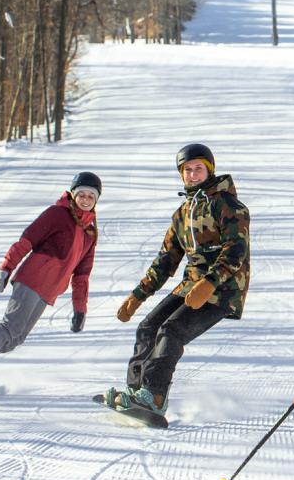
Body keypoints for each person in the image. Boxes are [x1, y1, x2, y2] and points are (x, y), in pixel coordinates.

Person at [107, 143, 250, 422]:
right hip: (190, 285)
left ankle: (155, 397)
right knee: (148, 327)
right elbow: (166, 260)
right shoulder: (182, 213)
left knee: (171, 331)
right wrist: (138, 295)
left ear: (209, 170)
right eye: (187, 170)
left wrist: (210, 283)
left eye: (199, 169)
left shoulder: (229, 206)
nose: (193, 175)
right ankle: (136, 393)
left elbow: (236, 250)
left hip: (223, 289)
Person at [0, 171, 100, 397]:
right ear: (73, 194)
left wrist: (80, 309)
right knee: (11, 327)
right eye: (82, 194)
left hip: (49, 291)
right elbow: (27, 239)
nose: (85, 199)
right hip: (32, 279)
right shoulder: (57, 214)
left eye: (91, 196)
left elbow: (82, 275)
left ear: (96, 200)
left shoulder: (90, 232)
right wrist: (6, 267)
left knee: (16, 339)